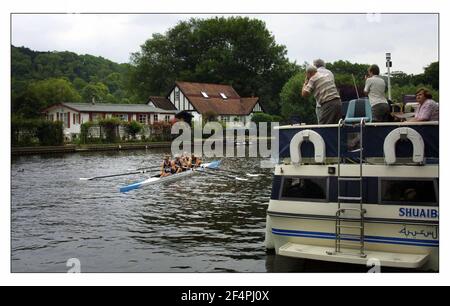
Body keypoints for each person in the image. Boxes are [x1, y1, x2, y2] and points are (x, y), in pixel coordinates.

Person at [313, 59, 335, 123]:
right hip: (333, 103)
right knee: (332, 125)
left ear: (315, 66)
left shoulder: (315, 72)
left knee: (321, 126)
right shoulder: (330, 73)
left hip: (321, 104)